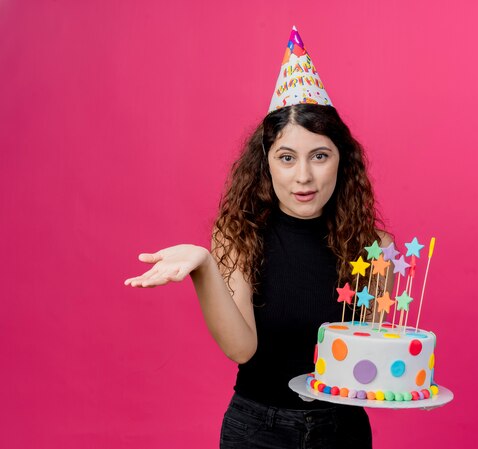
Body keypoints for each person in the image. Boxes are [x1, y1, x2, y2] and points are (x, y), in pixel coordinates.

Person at [124, 27, 393, 449]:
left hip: (343, 432)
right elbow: (242, 349)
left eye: (319, 156)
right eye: (286, 158)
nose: (303, 176)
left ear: (343, 160)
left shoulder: (375, 246)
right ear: (266, 164)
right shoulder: (237, 235)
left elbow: (371, 364)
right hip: (258, 431)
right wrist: (205, 266)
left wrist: (407, 390)